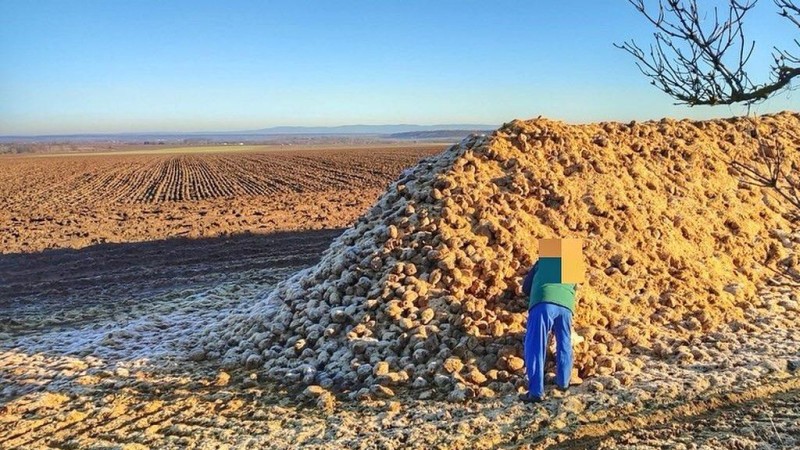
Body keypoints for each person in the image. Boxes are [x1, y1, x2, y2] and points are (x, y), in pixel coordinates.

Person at [519, 260, 578, 403]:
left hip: (543, 301)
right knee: (564, 341)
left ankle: (536, 392)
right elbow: (575, 288)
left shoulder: (544, 261)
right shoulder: (572, 264)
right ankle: (563, 382)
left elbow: (525, 288)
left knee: (535, 344)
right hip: (566, 306)